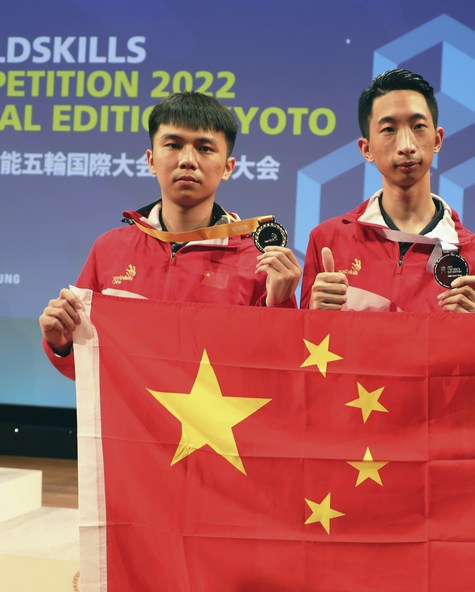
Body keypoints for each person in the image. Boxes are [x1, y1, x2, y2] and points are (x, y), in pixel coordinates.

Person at [39, 92, 302, 379]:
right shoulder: (109, 249)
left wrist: (281, 304)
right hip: (128, 424)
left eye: (205, 148)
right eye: (174, 145)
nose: (188, 160)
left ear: (227, 167)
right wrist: (61, 343)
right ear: (151, 160)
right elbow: (90, 371)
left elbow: (279, 372)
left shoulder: (258, 261)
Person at [300, 69, 475, 312]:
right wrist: (313, 314)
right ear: (366, 149)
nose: (406, 145)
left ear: (437, 140)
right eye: (389, 129)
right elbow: (306, 344)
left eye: (418, 126)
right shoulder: (327, 240)